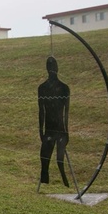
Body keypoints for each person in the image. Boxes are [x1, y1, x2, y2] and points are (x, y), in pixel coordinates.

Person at [37, 56, 70, 187]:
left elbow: (66, 112)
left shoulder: (64, 88)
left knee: (60, 160)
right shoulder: (42, 88)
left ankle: (66, 182)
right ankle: (45, 181)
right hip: (49, 130)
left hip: (60, 130)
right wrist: (41, 131)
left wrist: (66, 132)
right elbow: (41, 111)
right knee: (44, 160)